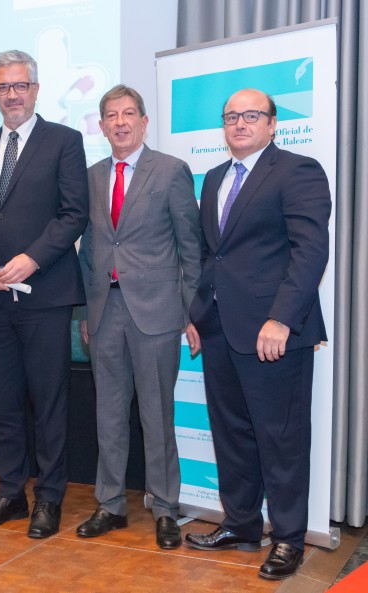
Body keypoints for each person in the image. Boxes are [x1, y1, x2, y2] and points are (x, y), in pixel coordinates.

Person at [184, 89, 331, 580]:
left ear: (273, 124)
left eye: (252, 115)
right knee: (231, 434)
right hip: (219, 328)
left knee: (281, 439)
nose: (240, 123)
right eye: (231, 116)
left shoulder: (297, 171)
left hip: (274, 333)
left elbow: (310, 251)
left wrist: (282, 318)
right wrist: (196, 313)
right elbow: (212, 254)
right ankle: (242, 525)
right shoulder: (213, 177)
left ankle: (288, 539)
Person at [0, 49, 88, 539]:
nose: (12, 95)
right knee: (3, 402)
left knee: (49, 403)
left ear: (35, 89)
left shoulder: (65, 141)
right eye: (2, 87)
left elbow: (74, 213)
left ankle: (49, 498)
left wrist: (33, 258)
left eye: (20, 85)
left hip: (45, 295)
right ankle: (10, 492)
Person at [77, 85, 202, 548]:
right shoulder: (90, 177)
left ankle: (166, 508)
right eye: (111, 115)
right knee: (108, 414)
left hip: (157, 314)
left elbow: (191, 247)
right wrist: (85, 311)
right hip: (104, 312)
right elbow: (88, 249)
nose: (120, 122)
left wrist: (192, 312)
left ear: (144, 122)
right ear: (102, 125)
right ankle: (110, 504)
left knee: (157, 414)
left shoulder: (170, 171)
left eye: (129, 113)